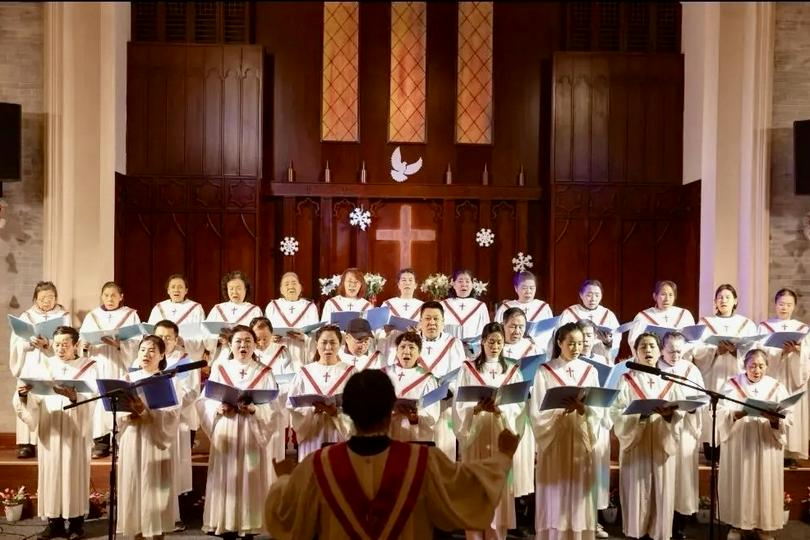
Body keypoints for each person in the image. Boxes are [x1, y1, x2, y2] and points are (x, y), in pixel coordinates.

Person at [265, 369, 521, 540]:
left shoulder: (318, 465)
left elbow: (286, 520)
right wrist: (503, 455)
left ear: (348, 411)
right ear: (391, 409)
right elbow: (470, 491)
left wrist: (284, 481)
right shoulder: (423, 461)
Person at [197, 325, 281, 539]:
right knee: (227, 475)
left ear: (255, 344)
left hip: (251, 430)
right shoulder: (220, 369)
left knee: (249, 476)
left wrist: (255, 409)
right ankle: (225, 524)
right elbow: (204, 400)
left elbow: (274, 407)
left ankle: (248, 526)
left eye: (248, 341)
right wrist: (217, 408)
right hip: (227, 429)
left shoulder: (264, 372)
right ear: (230, 344)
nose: (243, 345)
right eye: (238, 341)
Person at [13, 326, 96, 540]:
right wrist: (23, 395)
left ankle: (76, 524)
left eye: (65, 344)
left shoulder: (88, 366)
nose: (60, 349)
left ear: (75, 345)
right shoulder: (44, 365)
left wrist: (74, 398)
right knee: (51, 475)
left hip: (74, 430)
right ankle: (54, 524)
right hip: (50, 428)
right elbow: (34, 398)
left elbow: (93, 399)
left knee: (73, 475)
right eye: (57, 344)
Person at [453, 322, 526, 540]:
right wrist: (475, 409)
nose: (495, 346)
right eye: (491, 341)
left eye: (499, 342)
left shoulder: (512, 370)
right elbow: (459, 403)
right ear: (483, 342)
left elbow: (519, 405)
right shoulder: (468, 369)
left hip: (500, 436)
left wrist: (501, 410)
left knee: (498, 490)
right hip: (476, 435)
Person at [530, 322, 601, 540]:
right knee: (556, 491)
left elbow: (598, 408)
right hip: (555, 440)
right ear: (559, 343)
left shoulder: (590, 371)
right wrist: (560, 412)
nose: (576, 348)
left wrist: (584, 409)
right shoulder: (545, 371)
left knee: (580, 490)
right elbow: (537, 410)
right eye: (571, 343)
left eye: (580, 343)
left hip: (580, 437)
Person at [610, 333, 685, 540]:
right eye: (643, 347)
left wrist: (670, 416)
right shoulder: (626, 380)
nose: (648, 350)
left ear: (660, 351)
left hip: (662, 441)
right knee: (638, 489)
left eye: (652, 346)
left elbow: (681, 411)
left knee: (661, 490)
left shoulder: (669, 380)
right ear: (635, 352)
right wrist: (639, 416)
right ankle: (637, 533)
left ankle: (659, 533)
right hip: (637, 443)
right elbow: (616, 412)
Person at [718, 348, 791, 540]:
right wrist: (738, 413)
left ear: (767, 366)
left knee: (765, 483)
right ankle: (737, 525)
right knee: (740, 481)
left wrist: (775, 420)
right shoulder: (732, 384)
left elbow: (788, 416)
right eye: (752, 366)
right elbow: (719, 412)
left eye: (761, 366)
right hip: (740, 442)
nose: (756, 370)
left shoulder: (777, 387)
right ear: (745, 366)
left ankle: (764, 527)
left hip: (767, 442)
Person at [117, 335, 182, 539]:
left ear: (162, 355)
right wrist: (127, 414)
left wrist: (145, 411)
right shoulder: (127, 379)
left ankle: (156, 533)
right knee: (134, 482)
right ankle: (137, 532)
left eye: (152, 350)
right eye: (143, 349)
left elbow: (173, 414)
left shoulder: (168, 380)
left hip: (155, 440)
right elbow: (114, 411)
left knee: (154, 487)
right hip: (132, 436)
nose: (146, 354)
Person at [390, 301, 467, 460]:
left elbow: (460, 375)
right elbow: (399, 370)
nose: (432, 323)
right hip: (414, 413)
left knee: (443, 456)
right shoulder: (410, 343)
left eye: (436, 319)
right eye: (427, 318)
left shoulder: (453, 343)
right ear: (420, 321)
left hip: (444, 409)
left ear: (443, 322)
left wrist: (448, 390)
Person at [689, 284, 758, 453]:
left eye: (728, 297)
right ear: (715, 301)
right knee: (713, 408)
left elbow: (753, 351)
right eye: (720, 297)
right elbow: (696, 350)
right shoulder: (705, 323)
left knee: (733, 405)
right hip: (713, 375)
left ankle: (735, 447)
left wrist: (735, 352)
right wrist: (715, 351)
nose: (723, 300)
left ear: (735, 301)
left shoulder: (746, 324)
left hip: (736, 375)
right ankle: (711, 448)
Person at [78, 281, 141, 459]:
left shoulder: (130, 315)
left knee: (120, 400)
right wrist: (85, 346)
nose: (110, 299)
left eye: (114, 295)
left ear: (121, 297)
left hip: (120, 364)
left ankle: (120, 441)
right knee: (99, 401)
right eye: (106, 295)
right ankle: (101, 441)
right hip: (99, 364)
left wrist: (120, 345)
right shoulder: (92, 316)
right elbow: (82, 341)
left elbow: (137, 342)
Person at [9, 281, 72, 459]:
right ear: (35, 299)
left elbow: (69, 340)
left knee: (49, 398)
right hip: (30, 362)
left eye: (51, 297)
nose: (47, 301)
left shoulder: (63, 316)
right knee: (27, 396)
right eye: (42, 298)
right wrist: (28, 343)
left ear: (56, 298)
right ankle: (27, 443)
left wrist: (48, 344)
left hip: (51, 362)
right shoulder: (26, 316)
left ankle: (50, 439)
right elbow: (16, 342)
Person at [658, 331, 705, 540]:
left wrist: (693, 408)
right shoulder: (654, 368)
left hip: (685, 430)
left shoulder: (690, 369)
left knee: (682, 477)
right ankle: (659, 521)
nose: (676, 356)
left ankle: (679, 523)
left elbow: (701, 399)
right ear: (662, 349)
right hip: (661, 428)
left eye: (679, 351)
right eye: (671, 351)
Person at [153, 320, 199, 532]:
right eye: (159, 337)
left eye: (168, 337)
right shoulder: (146, 358)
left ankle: (176, 514)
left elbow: (192, 392)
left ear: (176, 339)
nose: (163, 341)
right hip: (153, 422)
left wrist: (169, 403)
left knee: (176, 467)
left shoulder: (185, 361)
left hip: (178, 422)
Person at [287, 324, 356, 460]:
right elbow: (292, 404)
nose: (328, 347)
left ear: (340, 345)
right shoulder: (304, 372)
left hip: (338, 434)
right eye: (324, 342)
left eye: (333, 342)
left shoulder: (350, 372)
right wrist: (312, 410)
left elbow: (359, 406)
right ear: (316, 344)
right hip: (312, 433)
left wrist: (336, 413)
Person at [757, 288, 810, 463]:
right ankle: (771, 448)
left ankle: (791, 453)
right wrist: (780, 352)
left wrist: (798, 350)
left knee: (792, 407)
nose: (784, 308)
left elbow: (808, 354)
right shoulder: (764, 327)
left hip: (795, 376)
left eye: (788, 304)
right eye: (781, 304)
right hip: (774, 374)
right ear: (775, 304)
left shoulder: (803, 328)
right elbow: (759, 352)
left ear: (794, 306)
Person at [576, 319, 612, 539]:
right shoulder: (569, 363)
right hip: (577, 420)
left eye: (590, 336)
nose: (586, 340)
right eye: (582, 336)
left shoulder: (602, 360)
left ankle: (594, 520)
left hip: (598, 419)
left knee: (597, 470)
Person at [385, 331, 439, 443]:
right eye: (402, 347)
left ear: (419, 353)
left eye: (411, 347)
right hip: (388, 432)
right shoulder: (384, 374)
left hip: (414, 433)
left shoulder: (428, 379)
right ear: (397, 351)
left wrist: (415, 416)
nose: (406, 351)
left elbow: (433, 414)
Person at [264, 271, 320, 369]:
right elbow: (264, 332)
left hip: (301, 354)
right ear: (281, 290)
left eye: (294, 283)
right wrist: (270, 338)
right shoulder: (272, 306)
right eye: (286, 284)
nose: (290, 286)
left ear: (300, 288)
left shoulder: (310, 307)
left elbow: (316, 333)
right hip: (278, 355)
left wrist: (304, 337)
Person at [147, 274, 206, 360]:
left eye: (180, 287)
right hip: (162, 354)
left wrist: (183, 342)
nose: (176, 290)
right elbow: (150, 332)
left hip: (186, 353)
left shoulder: (196, 308)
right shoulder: (158, 308)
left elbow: (201, 333)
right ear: (168, 290)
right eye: (173, 287)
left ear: (186, 291)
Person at [204, 270, 263, 357]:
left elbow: (259, 336)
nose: (234, 292)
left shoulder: (254, 310)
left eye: (238, 288)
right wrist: (218, 339)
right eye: (231, 288)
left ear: (246, 289)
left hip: (245, 355)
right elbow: (206, 333)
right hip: (222, 355)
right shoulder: (218, 309)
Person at [558, 280, 619, 359]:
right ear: (581, 295)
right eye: (589, 295)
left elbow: (617, 340)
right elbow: (561, 337)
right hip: (575, 358)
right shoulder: (569, 313)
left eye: (597, 295)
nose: (593, 299)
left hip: (601, 358)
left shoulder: (608, 315)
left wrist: (608, 343)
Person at [627, 280, 696, 348]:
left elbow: (693, 340)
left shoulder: (685, 314)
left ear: (675, 297)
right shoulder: (642, 317)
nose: (667, 299)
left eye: (671, 295)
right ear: (655, 296)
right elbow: (633, 340)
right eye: (663, 294)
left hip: (681, 353)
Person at [441, 269, 490, 339]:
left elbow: (487, 331)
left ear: (472, 284)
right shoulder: (443, 305)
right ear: (453, 284)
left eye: (467, 281)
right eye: (460, 281)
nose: (464, 285)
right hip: (449, 344)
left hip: (475, 345)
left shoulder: (481, 306)